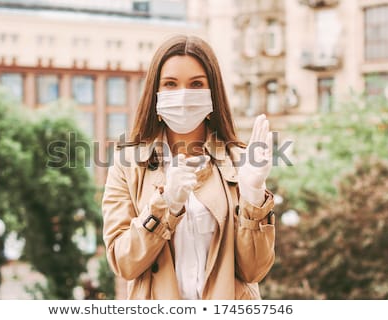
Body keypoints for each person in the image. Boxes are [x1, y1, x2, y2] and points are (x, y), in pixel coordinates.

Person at [102, 35, 275, 300]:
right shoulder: (128, 164)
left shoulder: (241, 161)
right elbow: (123, 262)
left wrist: (253, 194)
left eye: (196, 84)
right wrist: (165, 205)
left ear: (212, 93)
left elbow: (253, 271)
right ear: (156, 94)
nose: (183, 95)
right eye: (170, 84)